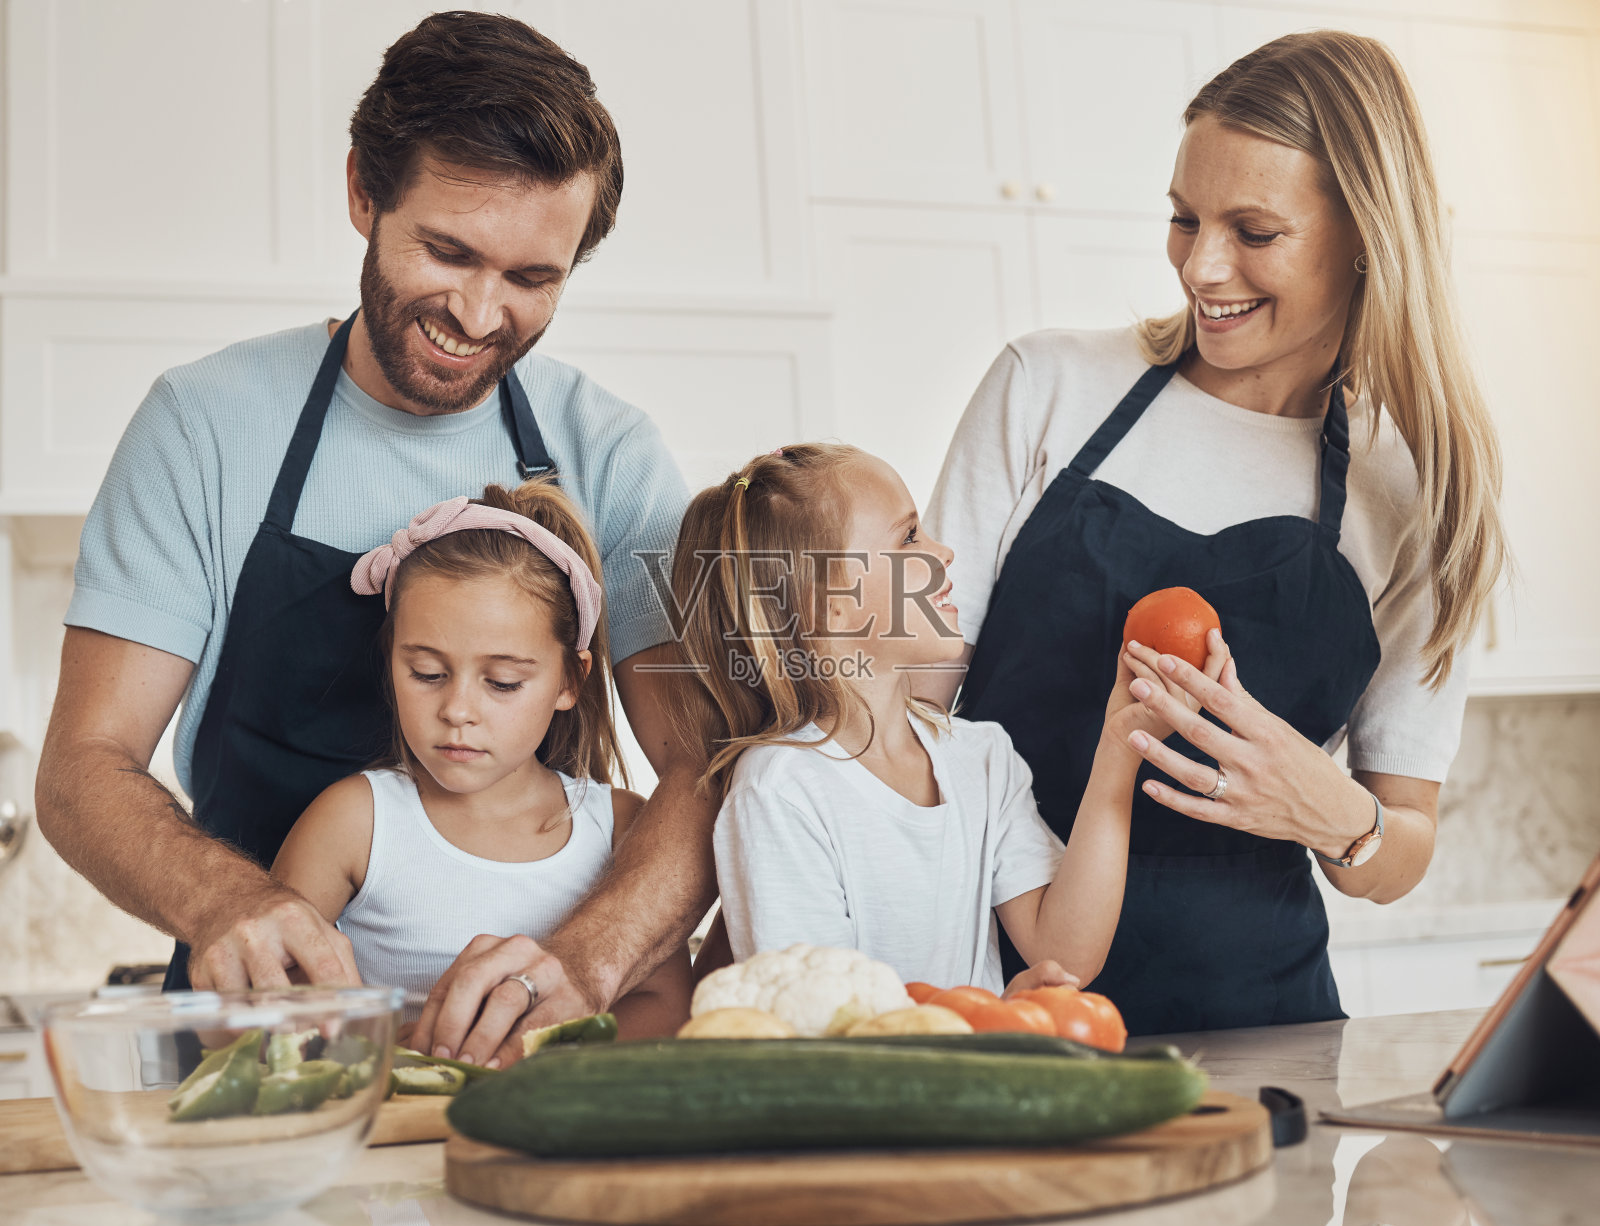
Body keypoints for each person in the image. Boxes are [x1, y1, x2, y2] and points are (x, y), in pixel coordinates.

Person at [35, 12, 713, 1067]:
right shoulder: (206, 423)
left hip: (529, 1062)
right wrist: (231, 904)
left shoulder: (612, 455)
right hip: (256, 1029)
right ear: (363, 192)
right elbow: (84, 767)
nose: (481, 314)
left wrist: (586, 962)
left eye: (533, 279)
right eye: (449, 251)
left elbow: (697, 773)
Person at [919, 32, 1506, 1033]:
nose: (1202, 264)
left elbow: (1400, 846)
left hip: (1260, 1021)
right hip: (1001, 992)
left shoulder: (1415, 494)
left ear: (1365, 236)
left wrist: (1330, 811)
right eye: (1183, 219)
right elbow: (908, 728)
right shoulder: (1045, 387)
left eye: (1254, 230)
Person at [668, 444, 1229, 992]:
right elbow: (821, 1028)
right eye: (909, 536)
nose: (945, 553)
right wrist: (986, 1024)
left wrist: (1122, 744)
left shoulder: (981, 757)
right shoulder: (779, 791)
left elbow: (1066, 955)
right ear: (831, 602)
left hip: (964, 1079)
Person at [272, 482, 691, 1046]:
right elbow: (261, 1003)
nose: (457, 711)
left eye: (503, 683)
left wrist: (529, 1056)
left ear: (570, 680)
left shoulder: (620, 828)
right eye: (425, 673)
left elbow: (665, 1008)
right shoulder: (352, 822)